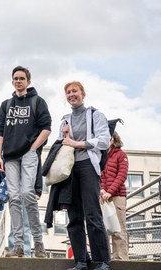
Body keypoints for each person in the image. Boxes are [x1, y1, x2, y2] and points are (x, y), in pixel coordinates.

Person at [53, 81, 111, 270]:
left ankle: (102, 261)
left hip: (87, 166)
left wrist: (78, 143)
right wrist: (64, 137)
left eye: (74, 91)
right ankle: (80, 261)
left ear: (83, 94)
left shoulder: (96, 115)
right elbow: (62, 144)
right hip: (69, 170)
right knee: (74, 216)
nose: (71, 95)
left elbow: (104, 140)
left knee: (93, 214)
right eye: (68, 92)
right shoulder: (65, 119)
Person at [0, 65, 51, 258]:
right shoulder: (6, 105)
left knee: (27, 193)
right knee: (14, 198)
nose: (18, 81)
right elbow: (1, 132)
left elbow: (46, 129)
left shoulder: (37, 102)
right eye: (15, 78)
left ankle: (38, 243)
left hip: (28, 153)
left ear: (28, 81)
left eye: (21, 78)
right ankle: (18, 245)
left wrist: (33, 148)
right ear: (12, 82)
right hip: (9, 157)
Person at [101, 131, 129, 260]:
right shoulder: (102, 156)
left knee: (119, 229)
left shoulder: (121, 155)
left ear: (113, 140)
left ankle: (121, 259)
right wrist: (101, 190)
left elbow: (121, 176)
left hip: (117, 196)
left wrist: (110, 191)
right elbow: (100, 175)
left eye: (108, 137)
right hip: (103, 197)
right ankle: (108, 258)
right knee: (106, 228)